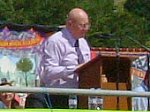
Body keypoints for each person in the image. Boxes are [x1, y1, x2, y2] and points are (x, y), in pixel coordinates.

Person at [38, 7, 91, 108]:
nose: (86, 29)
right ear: (70, 24)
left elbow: (88, 66)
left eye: (87, 25)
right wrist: (75, 69)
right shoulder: (55, 41)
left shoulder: (83, 43)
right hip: (58, 96)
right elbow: (49, 71)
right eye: (82, 25)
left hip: (81, 96)